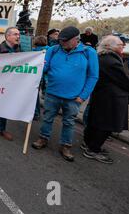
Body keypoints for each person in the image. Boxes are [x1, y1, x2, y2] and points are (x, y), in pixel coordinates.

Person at [32, 26, 99, 162]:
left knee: (69, 122)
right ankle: (43, 138)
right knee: (48, 118)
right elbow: (44, 68)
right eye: (60, 40)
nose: (62, 43)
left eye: (65, 41)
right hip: (52, 93)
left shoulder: (89, 52)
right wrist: (36, 68)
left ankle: (65, 145)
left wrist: (83, 96)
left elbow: (93, 76)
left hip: (74, 97)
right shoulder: (53, 50)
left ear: (76, 39)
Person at [82, 36, 129, 164]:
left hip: (102, 96)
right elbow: (124, 81)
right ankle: (93, 149)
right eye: (120, 45)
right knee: (106, 125)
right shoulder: (111, 61)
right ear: (110, 46)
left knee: (95, 122)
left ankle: (89, 144)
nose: (123, 47)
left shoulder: (102, 57)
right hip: (111, 98)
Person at [32, 36, 49, 121]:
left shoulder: (34, 52)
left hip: (36, 77)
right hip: (48, 78)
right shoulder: (50, 50)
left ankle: (36, 113)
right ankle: (48, 115)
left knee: (35, 96)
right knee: (48, 97)